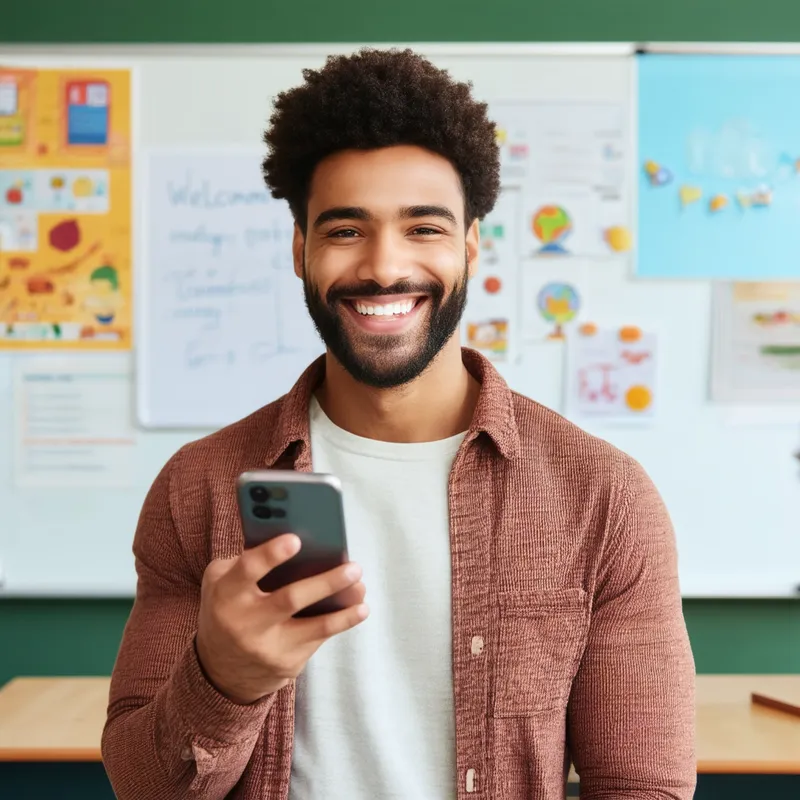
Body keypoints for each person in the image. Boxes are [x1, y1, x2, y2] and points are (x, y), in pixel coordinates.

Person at [102, 48, 696, 800]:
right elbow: (142, 787)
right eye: (346, 229)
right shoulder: (201, 489)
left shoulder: (605, 498)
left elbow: (642, 785)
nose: (385, 266)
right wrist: (225, 681)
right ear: (300, 249)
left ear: (472, 246)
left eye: (423, 228)